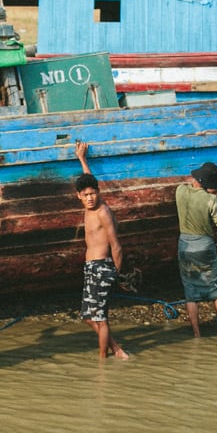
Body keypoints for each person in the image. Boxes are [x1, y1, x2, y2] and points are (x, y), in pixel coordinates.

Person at [74, 141, 129, 359]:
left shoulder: (103, 212)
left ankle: (102, 360)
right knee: (88, 316)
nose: (90, 197)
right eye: (85, 194)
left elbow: (116, 245)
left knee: (100, 318)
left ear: (98, 193)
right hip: (91, 268)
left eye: (93, 194)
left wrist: (116, 273)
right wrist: (82, 159)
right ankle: (116, 349)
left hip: (102, 267)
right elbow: (88, 181)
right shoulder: (89, 205)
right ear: (79, 196)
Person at [175, 161, 217, 337]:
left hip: (185, 246)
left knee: (190, 292)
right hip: (204, 246)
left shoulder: (180, 191)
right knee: (216, 290)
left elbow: (189, 184)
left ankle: (197, 334)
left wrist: (208, 185)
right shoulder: (210, 200)